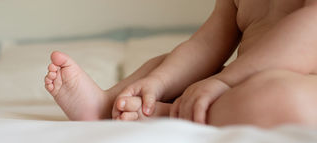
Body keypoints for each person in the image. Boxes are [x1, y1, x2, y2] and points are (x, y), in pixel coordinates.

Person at [44, 0, 317, 128]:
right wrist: (159, 82)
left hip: (301, 83)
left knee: (279, 99)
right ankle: (105, 105)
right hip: (234, 83)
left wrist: (225, 81)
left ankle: (163, 114)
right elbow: (206, 45)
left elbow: (309, 32)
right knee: (164, 64)